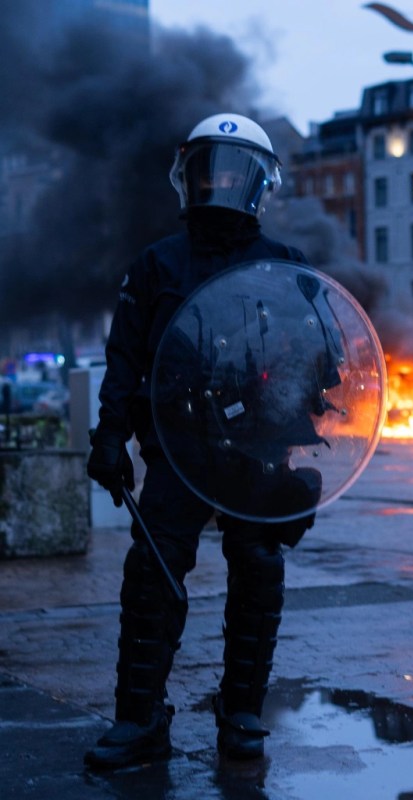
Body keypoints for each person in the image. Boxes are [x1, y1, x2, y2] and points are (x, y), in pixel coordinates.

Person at [84, 113, 316, 768]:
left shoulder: (288, 267)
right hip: (178, 452)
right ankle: (139, 718)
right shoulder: (156, 264)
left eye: (235, 171)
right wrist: (110, 436)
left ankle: (241, 710)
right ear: (188, 175)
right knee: (150, 578)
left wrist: (301, 426)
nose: (221, 182)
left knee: (260, 572)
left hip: (257, 454)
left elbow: (320, 361)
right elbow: (125, 362)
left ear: (258, 181)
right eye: (210, 168)